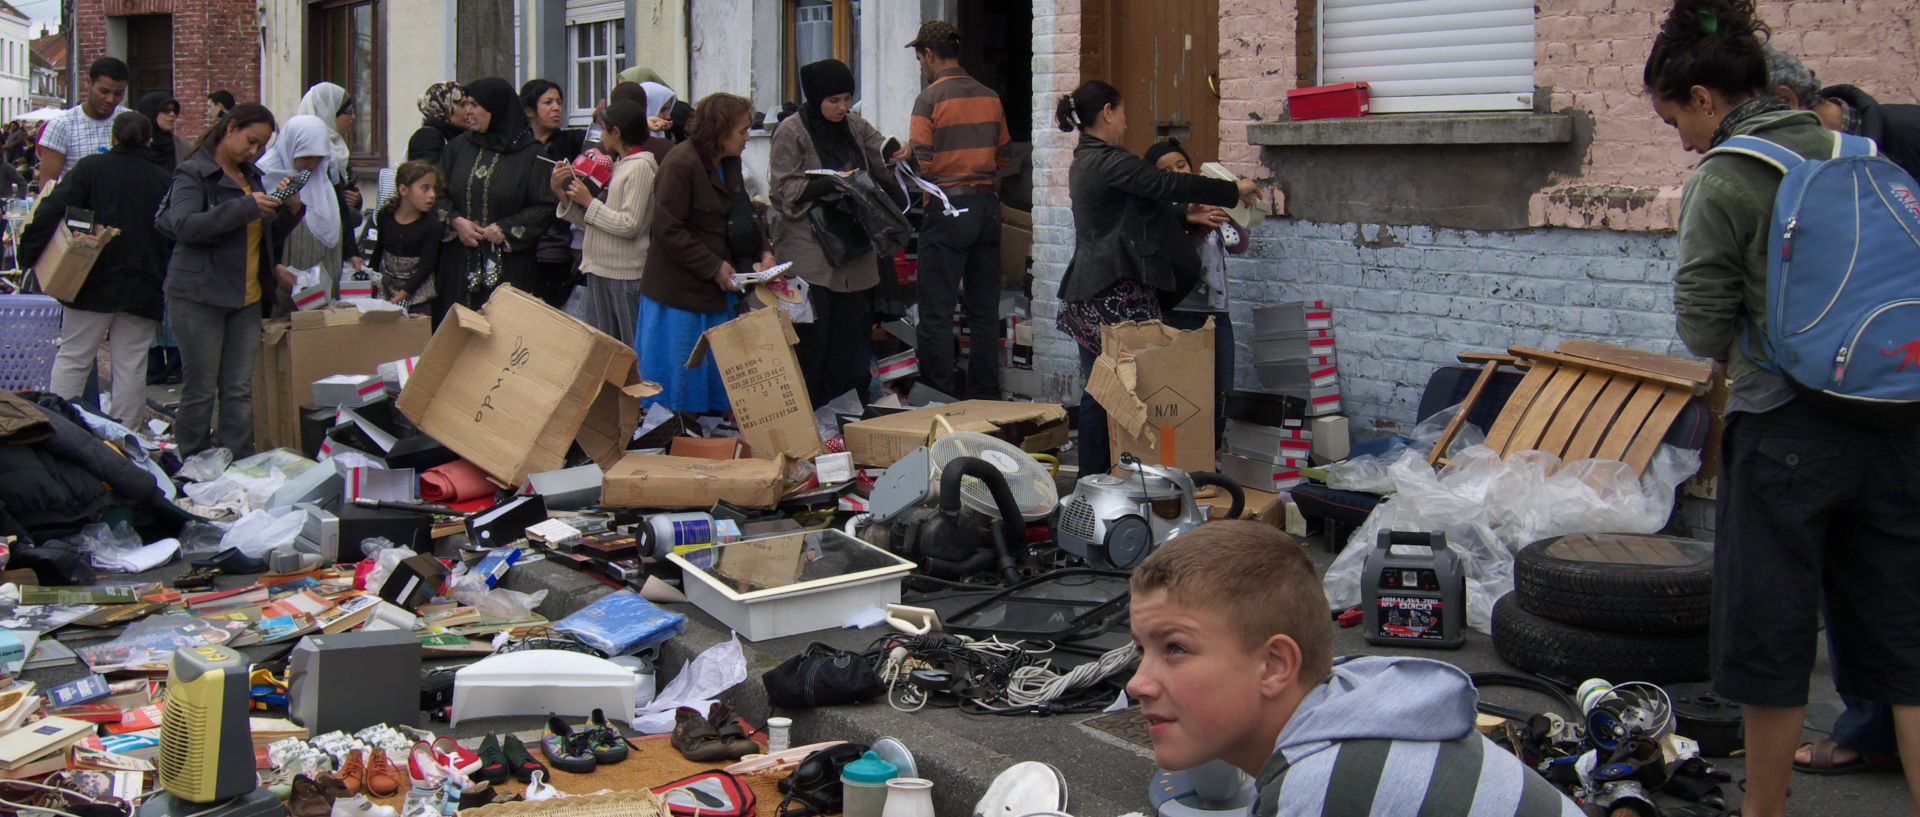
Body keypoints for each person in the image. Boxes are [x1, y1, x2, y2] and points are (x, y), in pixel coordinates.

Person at [1644, 3, 1920, 815]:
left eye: (1676, 121)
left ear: (1704, 97)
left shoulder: (1725, 177)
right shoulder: (1860, 150)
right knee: (1907, 643)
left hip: (1786, 432)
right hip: (1898, 420)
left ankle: (1765, 811)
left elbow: (1702, 326)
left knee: (1771, 641)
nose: (1684, 141)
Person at [1126, 521, 1582, 816]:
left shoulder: (1325, 786)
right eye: (1141, 649)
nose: (1137, 683)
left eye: (1176, 649)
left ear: (1274, 665)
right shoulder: (1351, 701)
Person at [1760, 47, 1920, 782]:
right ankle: (1869, 729)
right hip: (1852, 396)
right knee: (1867, 574)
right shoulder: (1790, 166)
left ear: (1793, 98)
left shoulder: (1903, 143)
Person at [1053, 81, 1256, 476]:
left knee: (1106, 389)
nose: (1127, 123)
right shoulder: (1109, 160)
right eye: (1124, 113)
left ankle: (1101, 479)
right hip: (1111, 291)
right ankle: (1094, 483)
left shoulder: (1089, 160)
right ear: (1108, 112)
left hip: (1098, 288)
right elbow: (1166, 184)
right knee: (1108, 392)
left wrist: (1185, 217)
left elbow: (1129, 215)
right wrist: (1233, 189)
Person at [161, 103, 302, 456]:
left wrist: (291, 209)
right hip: (200, 295)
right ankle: (193, 460)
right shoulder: (193, 173)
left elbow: (261, 235)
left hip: (247, 296)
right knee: (201, 388)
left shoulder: (250, 176)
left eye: (260, 146)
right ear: (230, 128)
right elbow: (184, 226)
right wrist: (245, 206)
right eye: (250, 141)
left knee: (239, 388)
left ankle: (235, 459)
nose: (253, 151)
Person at [19, 111, 171, 429]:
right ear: (148, 140)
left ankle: (62, 426)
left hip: (91, 276)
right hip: (144, 280)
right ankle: (125, 437)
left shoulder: (91, 168)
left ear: (113, 138)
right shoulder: (163, 178)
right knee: (131, 364)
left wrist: (30, 254)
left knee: (74, 355)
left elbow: (51, 209)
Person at [770, 58, 903, 406]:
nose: (842, 108)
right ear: (816, 98)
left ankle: (846, 411)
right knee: (815, 336)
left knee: (851, 332)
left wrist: (895, 152)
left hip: (853, 243)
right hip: (809, 248)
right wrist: (829, 182)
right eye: (834, 101)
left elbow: (878, 148)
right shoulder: (791, 130)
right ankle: (813, 410)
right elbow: (784, 189)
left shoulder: (854, 124)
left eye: (847, 99)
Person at [641, 92, 773, 414]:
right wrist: (713, 266)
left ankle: (714, 438)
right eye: (742, 131)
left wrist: (764, 250)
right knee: (679, 383)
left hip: (718, 293)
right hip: (679, 295)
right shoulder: (680, 162)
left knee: (719, 383)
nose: (748, 137)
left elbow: (744, 213)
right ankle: (674, 439)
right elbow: (667, 229)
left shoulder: (729, 160)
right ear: (719, 130)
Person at [902, 20, 1011, 400]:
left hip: (947, 208)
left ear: (929, 54)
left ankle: (938, 396)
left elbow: (922, 161)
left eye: (920, 59)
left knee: (936, 311)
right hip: (986, 207)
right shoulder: (990, 96)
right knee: (984, 312)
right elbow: (1003, 155)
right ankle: (985, 395)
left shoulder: (929, 99)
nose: (922, 67)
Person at [1148, 138, 1250, 441]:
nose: (1178, 173)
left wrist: (1222, 217)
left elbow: (1240, 245)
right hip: (1177, 314)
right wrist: (1194, 223)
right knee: (1181, 391)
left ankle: (1212, 455)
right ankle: (1181, 453)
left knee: (1221, 389)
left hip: (1216, 314)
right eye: (1167, 171)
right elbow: (1181, 259)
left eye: (1181, 165)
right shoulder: (1162, 214)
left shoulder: (1210, 202)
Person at [433, 76, 555, 323]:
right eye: (465, 104)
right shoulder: (458, 148)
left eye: (475, 105)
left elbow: (545, 205)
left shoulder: (531, 154)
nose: (468, 111)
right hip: (458, 264)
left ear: (497, 107)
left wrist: (506, 229)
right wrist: (456, 221)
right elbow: (436, 194)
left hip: (509, 267)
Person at [553, 100, 656, 345]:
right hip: (599, 268)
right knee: (603, 347)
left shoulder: (640, 167)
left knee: (630, 347)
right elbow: (595, 222)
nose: (601, 136)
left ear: (617, 132)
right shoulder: (620, 164)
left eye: (604, 129)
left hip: (624, 274)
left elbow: (629, 225)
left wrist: (589, 201)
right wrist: (561, 192)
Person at [258, 115, 355, 312]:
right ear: (291, 148)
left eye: (319, 158)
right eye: (306, 157)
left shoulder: (324, 177)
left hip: (324, 270)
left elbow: (341, 215)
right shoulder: (265, 175)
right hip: (282, 275)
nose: (312, 165)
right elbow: (262, 233)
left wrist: (352, 252)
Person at [521, 78, 588, 307]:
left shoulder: (570, 140)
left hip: (556, 243)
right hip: (524, 241)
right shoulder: (520, 145)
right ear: (530, 109)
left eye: (559, 102)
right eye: (548, 102)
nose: (556, 108)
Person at [37, 57, 129, 189]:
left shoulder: (130, 121)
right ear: (88, 82)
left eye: (118, 94)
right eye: (104, 91)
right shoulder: (61, 125)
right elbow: (47, 187)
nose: (110, 99)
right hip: (77, 207)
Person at [365, 160, 443, 312]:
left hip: (417, 295)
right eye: (425, 188)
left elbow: (425, 268)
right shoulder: (385, 216)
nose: (432, 195)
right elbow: (379, 250)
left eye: (434, 189)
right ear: (404, 190)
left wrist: (399, 298)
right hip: (387, 289)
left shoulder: (432, 226)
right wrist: (367, 279)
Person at [407, 81, 469, 164]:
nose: (469, 110)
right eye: (463, 105)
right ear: (445, 109)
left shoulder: (462, 134)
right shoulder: (427, 137)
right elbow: (427, 173)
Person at [133, 92, 192, 172]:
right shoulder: (134, 145)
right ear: (150, 112)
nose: (172, 114)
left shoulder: (183, 147)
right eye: (165, 110)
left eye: (174, 110)